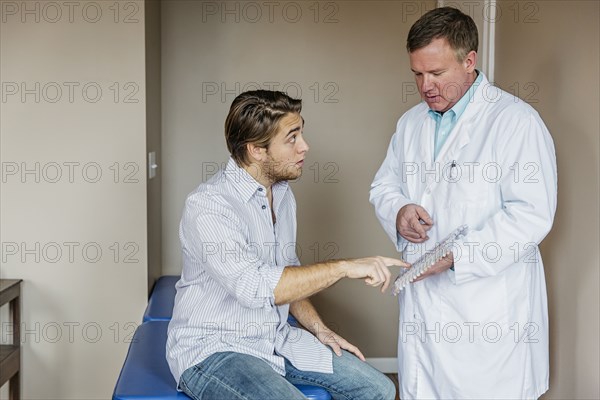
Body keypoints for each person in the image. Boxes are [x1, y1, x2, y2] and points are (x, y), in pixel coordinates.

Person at [370, 7, 557, 399]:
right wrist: (400, 210)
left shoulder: (515, 122)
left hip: (486, 312)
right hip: (424, 305)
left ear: (469, 61)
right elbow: (384, 186)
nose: (425, 86)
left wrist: (457, 255)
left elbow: (531, 215)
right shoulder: (410, 124)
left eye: (436, 73)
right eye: (417, 74)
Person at [167, 90, 400, 400]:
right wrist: (344, 267)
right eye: (292, 138)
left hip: (274, 338)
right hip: (214, 350)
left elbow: (286, 274)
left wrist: (319, 328)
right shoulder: (209, 206)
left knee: (379, 390)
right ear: (255, 150)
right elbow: (257, 288)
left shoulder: (282, 194)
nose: (305, 146)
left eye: (301, 132)